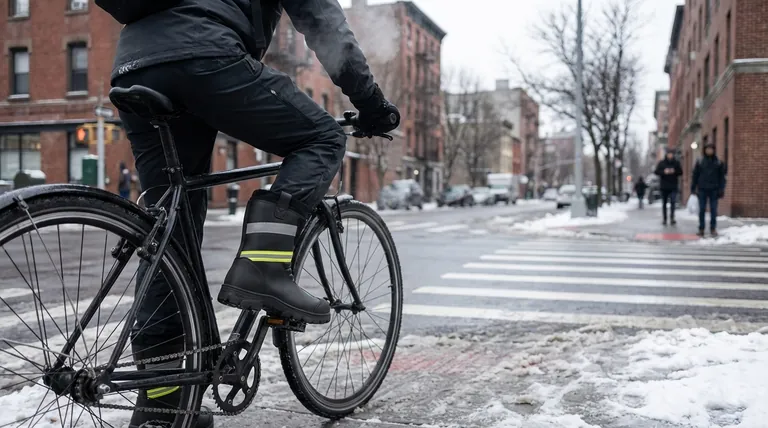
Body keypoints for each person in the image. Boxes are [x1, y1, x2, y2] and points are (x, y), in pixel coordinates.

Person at [104, 1, 400, 427]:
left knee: (171, 241)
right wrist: (372, 104)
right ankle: (263, 269)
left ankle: (164, 404)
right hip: (205, 55)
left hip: (133, 63)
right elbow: (323, 22)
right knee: (323, 139)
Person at [691, 143, 726, 237]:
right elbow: (695, 175)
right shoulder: (700, 161)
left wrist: (721, 189)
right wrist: (693, 188)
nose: (709, 151)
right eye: (707, 149)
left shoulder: (718, 162)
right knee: (702, 209)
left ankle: (713, 228)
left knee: (713, 210)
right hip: (702, 189)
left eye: (711, 149)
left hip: (714, 189)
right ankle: (701, 228)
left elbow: (722, 177)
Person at [654, 148, 683, 225]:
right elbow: (656, 172)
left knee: (673, 202)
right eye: (669, 154)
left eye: (671, 154)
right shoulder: (662, 163)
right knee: (664, 203)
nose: (670, 155)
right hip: (664, 186)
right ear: (666, 154)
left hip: (673, 186)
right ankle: (664, 218)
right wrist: (664, 172)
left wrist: (674, 171)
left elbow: (680, 172)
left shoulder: (676, 163)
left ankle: (672, 217)